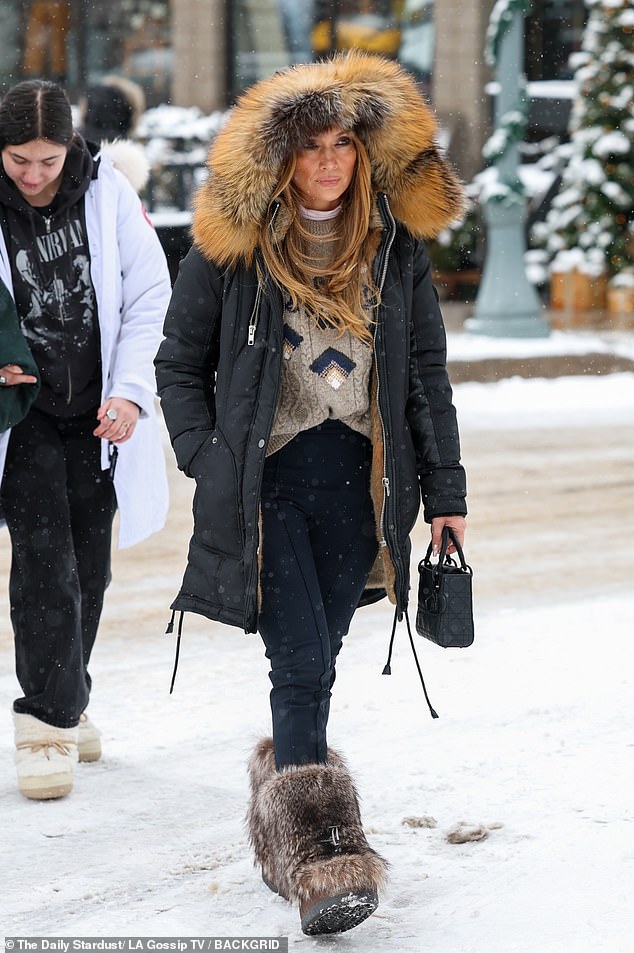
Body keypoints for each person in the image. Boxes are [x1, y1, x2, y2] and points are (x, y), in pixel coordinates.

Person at [155, 50, 467, 936]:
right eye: (310, 147)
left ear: (363, 154)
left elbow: (425, 377)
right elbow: (179, 365)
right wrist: (208, 458)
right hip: (271, 485)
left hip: (362, 487)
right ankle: (322, 855)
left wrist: (445, 489)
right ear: (282, 158)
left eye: (342, 145)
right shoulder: (234, 251)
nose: (328, 162)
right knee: (296, 663)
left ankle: (277, 794)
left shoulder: (393, 249)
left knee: (320, 658)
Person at [0, 80, 172, 801]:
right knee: (44, 562)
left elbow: (148, 294)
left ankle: (69, 697)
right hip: (24, 414)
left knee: (89, 568)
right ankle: (44, 721)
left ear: (70, 147)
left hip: (96, 411)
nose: (33, 177)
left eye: (45, 161)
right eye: (17, 161)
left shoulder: (106, 194)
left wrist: (130, 390)